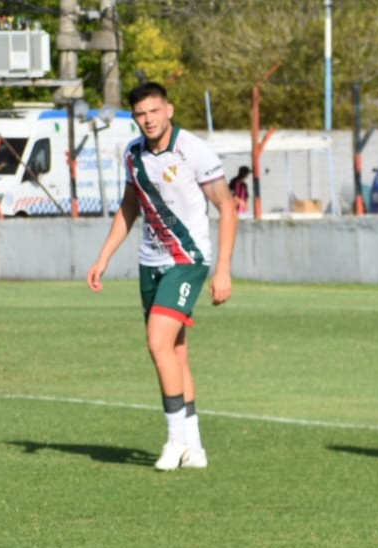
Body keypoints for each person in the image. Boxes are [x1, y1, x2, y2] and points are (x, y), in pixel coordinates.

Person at [86, 81, 238, 472]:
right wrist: (103, 257)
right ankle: (195, 446)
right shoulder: (133, 154)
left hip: (188, 260)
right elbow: (129, 207)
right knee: (175, 352)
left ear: (168, 110)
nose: (148, 119)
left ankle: (174, 440)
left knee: (157, 342)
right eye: (141, 113)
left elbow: (227, 205)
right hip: (149, 262)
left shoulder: (194, 150)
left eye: (154, 111)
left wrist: (223, 270)